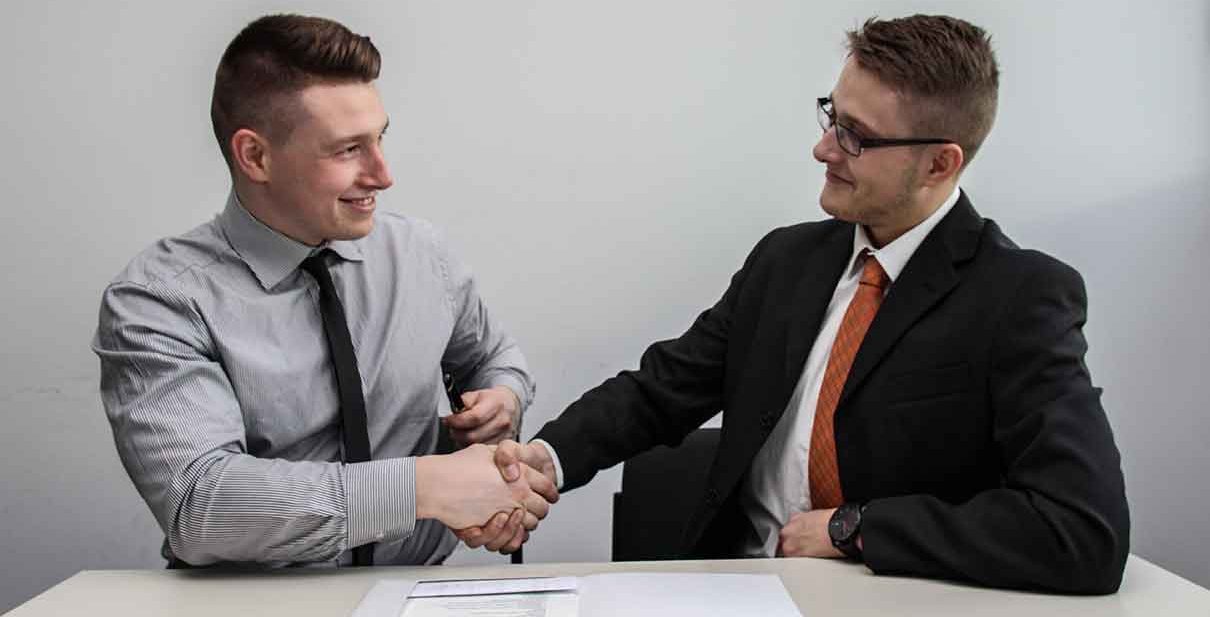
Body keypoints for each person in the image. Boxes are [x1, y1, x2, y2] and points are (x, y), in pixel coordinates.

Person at [480, 14, 1130, 593]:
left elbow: (1083, 530)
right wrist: (546, 459)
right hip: (734, 589)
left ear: (939, 163)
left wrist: (857, 527)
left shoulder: (1020, 297)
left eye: (856, 136)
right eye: (832, 117)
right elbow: (662, 391)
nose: (824, 149)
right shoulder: (786, 262)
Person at [92, 14, 553, 568]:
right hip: (250, 607)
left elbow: (494, 359)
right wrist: (423, 487)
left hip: (418, 590)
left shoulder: (422, 254)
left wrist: (500, 400)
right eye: (347, 150)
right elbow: (202, 505)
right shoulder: (158, 300)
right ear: (255, 157)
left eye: (380, 138)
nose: (383, 175)